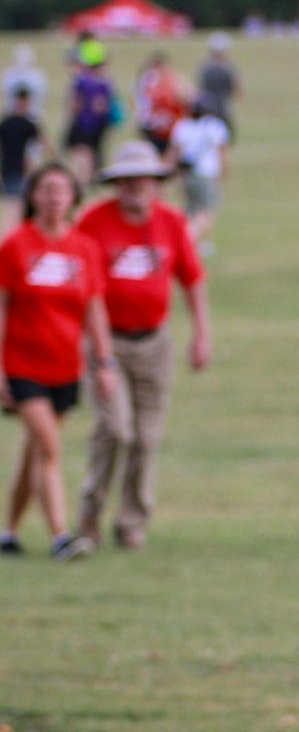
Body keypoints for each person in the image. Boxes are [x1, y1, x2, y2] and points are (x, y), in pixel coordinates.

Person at [75, 140, 210, 551]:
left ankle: (132, 521)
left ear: (156, 182)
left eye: (143, 180)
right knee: (115, 429)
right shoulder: (94, 223)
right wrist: (98, 355)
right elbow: (83, 286)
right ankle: (90, 513)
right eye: (127, 181)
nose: (135, 187)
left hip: (155, 341)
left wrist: (202, 334)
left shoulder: (170, 222)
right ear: (115, 184)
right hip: (107, 340)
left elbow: (191, 278)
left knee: (147, 436)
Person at [0, 161, 114, 558]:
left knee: (35, 450)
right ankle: (61, 536)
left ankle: (9, 531)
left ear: (72, 199)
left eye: (60, 190)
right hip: (21, 364)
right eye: (45, 190)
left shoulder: (84, 249)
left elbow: (94, 310)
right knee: (49, 448)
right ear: (33, 196)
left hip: (64, 365)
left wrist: (104, 362)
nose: (52, 198)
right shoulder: (15, 245)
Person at [169, 100, 230, 246]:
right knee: (206, 212)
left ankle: (200, 242)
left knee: (191, 210)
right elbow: (221, 153)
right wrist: (223, 173)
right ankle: (186, 240)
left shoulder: (182, 126)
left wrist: (169, 173)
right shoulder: (215, 126)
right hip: (206, 174)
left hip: (186, 174)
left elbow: (173, 153)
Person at [63, 45, 117, 186]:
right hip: (99, 123)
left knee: (82, 152)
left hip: (83, 122)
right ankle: (94, 178)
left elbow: (75, 102)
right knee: (95, 151)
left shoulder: (82, 81)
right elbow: (103, 105)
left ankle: (83, 179)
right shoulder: (105, 82)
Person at [1, 87, 45, 235]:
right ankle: (10, 233)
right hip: (14, 168)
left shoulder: (12, 123)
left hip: (17, 168)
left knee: (16, 203)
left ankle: (11, 232)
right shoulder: (21, 124)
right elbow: (41, 145)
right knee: (14, 204)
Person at [134, 52, 189, 154]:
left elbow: (187, 99)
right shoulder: (146, 82)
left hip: (172, 130)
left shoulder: (175, 81)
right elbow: (141, 104)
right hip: (153, 130)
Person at [195, 34, 240, 130]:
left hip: (206, 109)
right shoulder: (229, 68)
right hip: (223, 109)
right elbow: (236, 88)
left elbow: (200, 88)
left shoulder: (204, 67)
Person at [2, 45, 47, 121]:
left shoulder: (37, 75)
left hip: (31, 114)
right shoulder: (8, 74)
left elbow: (39, 97)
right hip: (13, 114)